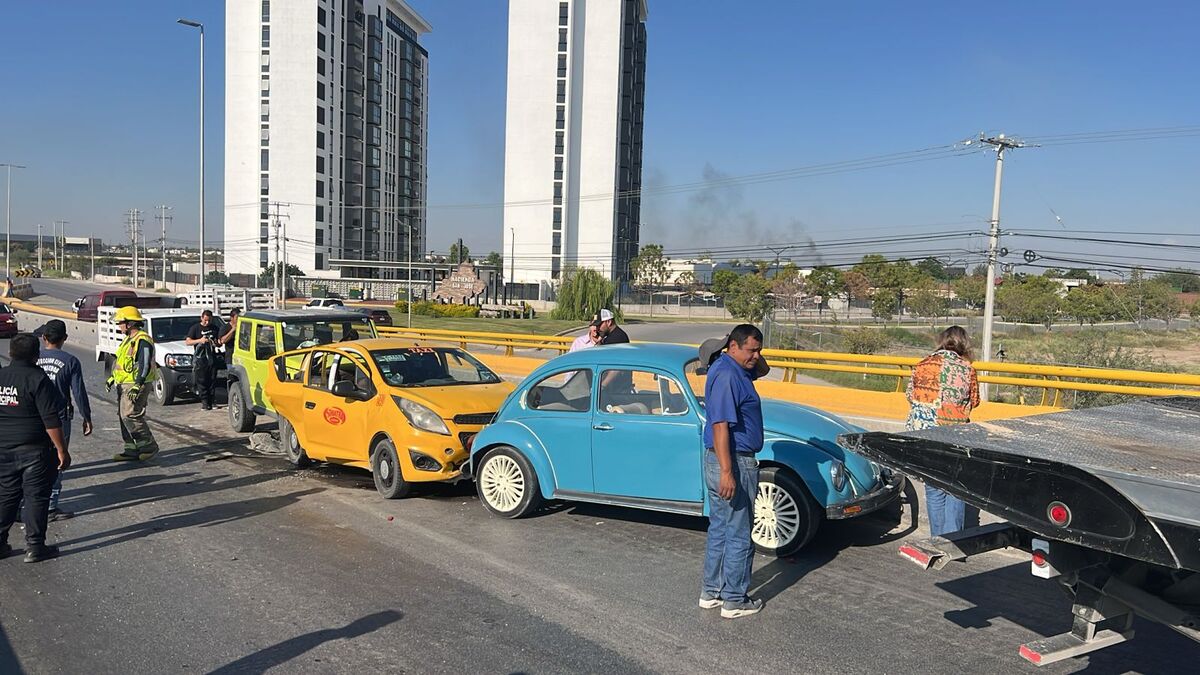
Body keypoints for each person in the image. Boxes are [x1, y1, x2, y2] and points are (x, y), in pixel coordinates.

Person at [698, 324, 769, 619]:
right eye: (750, 350)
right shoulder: (729, 374)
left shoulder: (734, 367)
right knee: (739, 533)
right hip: (733, 461)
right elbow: (720, 426)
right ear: (733, 346)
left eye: (759, 350)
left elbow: (762, 370)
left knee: (721, 528)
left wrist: (752, 355)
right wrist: (728, 472)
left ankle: (711, 592)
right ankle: (734, 600)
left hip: (725, 460)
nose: (756, 356)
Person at [0, 333, 72, 563]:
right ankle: (35, 547)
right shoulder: (38, 379)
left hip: (4, 449)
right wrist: (61, 449)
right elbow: (51, 419)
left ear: (11, 353)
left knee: (7, 496)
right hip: (35, 452)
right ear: (36, 355)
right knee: (36, 498)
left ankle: (0, 543)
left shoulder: (1, 376)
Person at [905, 325, 980, 537]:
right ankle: (954, 539)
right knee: (955, 487)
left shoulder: (921, 364)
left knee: (934, 487)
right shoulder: (967, 369)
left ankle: (936, 540)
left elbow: (910, 396)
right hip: (952, 433)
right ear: (964, 343)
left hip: (923, 434)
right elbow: (974, 401)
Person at [34, 320, 93, 521]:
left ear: (44, 338)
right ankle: (50, 506)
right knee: (59, 459)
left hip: (34, 417)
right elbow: (78, 392)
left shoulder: (34, 358)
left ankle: (29, 502)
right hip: (59, 418)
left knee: (34, 459)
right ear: (64, 339)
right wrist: (86, 416)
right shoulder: (70, 361)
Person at [107, 306, 160, 461]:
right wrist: (112, 378)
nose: (119, 326)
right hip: (124, 383)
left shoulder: (142, 340)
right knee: (122, 416)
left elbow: (145, 364)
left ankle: (148, 445)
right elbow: (121, 363)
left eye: (120, 323)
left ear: (129, 324)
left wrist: (138, 384)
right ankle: (131, 448)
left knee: (130, 415)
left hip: (135, 384)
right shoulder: (127, 341)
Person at [186, 310, 220, 410]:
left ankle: (212, 401)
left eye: (209, 320)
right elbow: (188, 341)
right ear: (201, 318)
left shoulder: (214, 328)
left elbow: (218, 341)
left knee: (212, 379)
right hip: (200, 358)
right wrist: (200, 341)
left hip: (212, 357)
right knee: (202, 380)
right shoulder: (195, 328)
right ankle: (205, 402)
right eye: (205, 320)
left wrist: (215, 342)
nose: (207, 323)